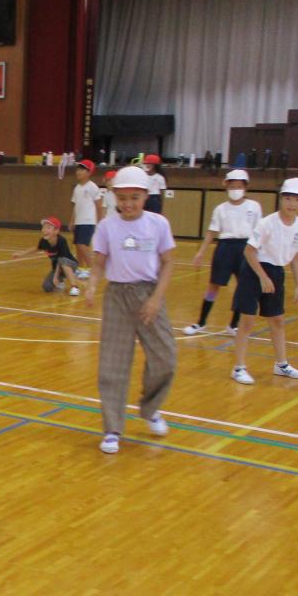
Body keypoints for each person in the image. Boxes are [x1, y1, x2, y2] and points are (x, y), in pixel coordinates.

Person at [84, 165, 177, 454]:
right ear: (113, 197)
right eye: (122, 197)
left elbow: (169, 262)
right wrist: (91, 285)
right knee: (113, 364)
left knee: (166, 358)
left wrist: (156, 299)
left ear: (146, 196)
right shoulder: (107, 226)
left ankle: (150, 409)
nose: (128, 203)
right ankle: (112, 428)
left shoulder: (158, 224)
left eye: (134, 197)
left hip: (148, 292)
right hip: (117, 296)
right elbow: (99, 261)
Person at [230, 178, 298, 386]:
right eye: (288, 198)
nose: (292, 203)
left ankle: (281, 364)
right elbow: (249, 251)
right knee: (247, 321)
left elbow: (296, 257)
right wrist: (262, 277)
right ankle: (238, 368)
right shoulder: (267, 223)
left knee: (277, 320)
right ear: (281, 199)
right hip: (254, 271)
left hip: (276, 273)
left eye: (297, 200)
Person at [183, 169, 262, 335]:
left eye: (239, 186)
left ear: (246, 187)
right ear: (226, 187)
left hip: (245, 248)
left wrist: (258, 253)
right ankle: (201, 322)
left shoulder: (254, 207)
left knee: (243, 287)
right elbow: (212, 231)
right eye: (232, 186)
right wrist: (201, 252)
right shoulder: (220, 209)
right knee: (214, 285)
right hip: (225, 248)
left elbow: (259, 231)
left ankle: (233, 324)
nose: (235, 189)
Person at [12, 217, 80, 296]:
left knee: (63, 261)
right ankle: (61, 281)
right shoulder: (44, 241)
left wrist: (56, 276)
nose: (44, 230)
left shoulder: (61, 241)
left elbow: (61, 259)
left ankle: (74, 287)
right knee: (46, 287)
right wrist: (21, 254)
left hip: (70, 265)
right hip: (58, 268)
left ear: (56, 231)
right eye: (43, 227)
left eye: (48, 228)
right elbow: (36, 248)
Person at [70, 158, 103, 278]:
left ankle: (92, 269)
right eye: (78, 169)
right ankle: (80, 267)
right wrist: (72, 220)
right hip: (79, 221)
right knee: (78, 246)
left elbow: (99, 205)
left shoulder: (92, 187)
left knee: (82, 245)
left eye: (82, 169)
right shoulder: (77, 188)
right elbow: (75, 206)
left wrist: (100, 222)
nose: (78, 172)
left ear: (89, 173)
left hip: (88, 221)